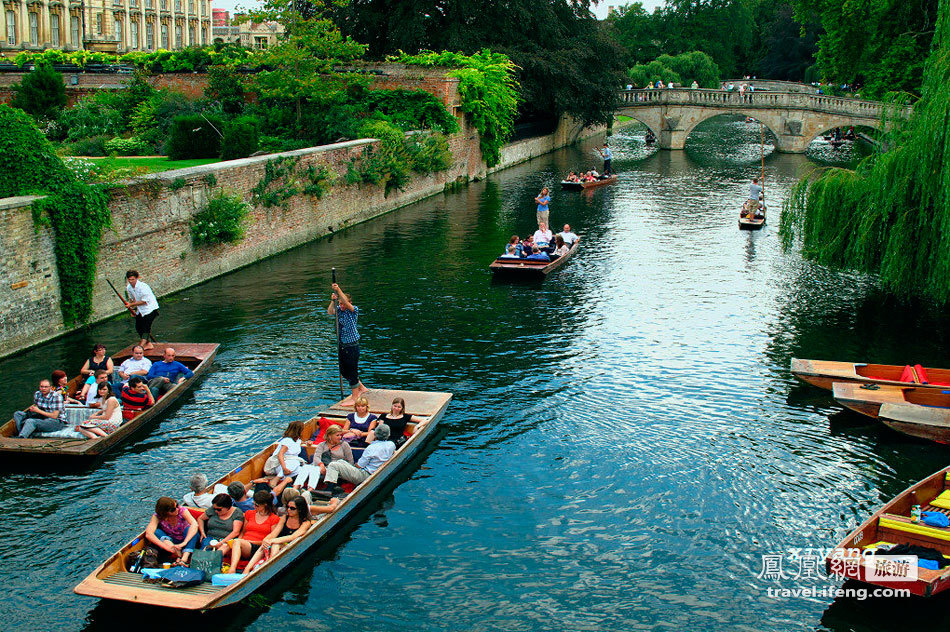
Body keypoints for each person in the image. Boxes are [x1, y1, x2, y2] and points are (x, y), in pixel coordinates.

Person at [241, 496, 315, 574]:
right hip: (278, 544)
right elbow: (274, 533)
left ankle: (270, 566)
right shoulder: (284, 518)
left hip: (291, 546)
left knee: (275, 544)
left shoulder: (305, 523)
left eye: (292, 508)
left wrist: (273, 540)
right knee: (266, 544)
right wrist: (266, 539)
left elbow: (293, 537)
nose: (288, 510)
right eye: (288, 507)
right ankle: (247, 569)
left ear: (299, 509)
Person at [323, 423, 396, 492]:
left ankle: (329, 489)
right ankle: (337, 483)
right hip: (376, 472)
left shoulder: (371, 448)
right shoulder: (391, 445)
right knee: (340, 462)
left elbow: (359, 466)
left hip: (366, 476)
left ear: (375, 434)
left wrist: (353, 466)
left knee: (333, 465)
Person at [328, 282, 368, 406]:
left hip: (352, 345)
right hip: (342, 345)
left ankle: (355, 397)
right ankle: (360, 387)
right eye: (340, 304)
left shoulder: (353, 310)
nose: (342, 306)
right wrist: (332, 301)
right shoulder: (339, 310)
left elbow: (347, 303)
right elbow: (330, 312)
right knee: (343, 370)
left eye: (343, 303)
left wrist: (338, 289)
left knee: (352, 370)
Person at [230, 490, 281, 572]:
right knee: (230, 543)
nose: (254, 506)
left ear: (265, 505)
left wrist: (246, 541)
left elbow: (270, 539)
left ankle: (232, 569)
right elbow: (243, 532)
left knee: (237, 542)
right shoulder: (249, 513)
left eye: (257, 505)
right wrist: (240, 540)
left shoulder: (274, 518)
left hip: (258, 547)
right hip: (244, 544)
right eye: (253, 504)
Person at [296, 425, 355, 491]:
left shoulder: (344, 445)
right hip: (323, 466)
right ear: (330, 436)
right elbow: (316, 457)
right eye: (337, 435)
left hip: (336, 469)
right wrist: (321, 465)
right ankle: (296, 488)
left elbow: (350, 461)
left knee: (315, 470)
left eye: (340, 435)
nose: (340, 437)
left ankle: (310, 490)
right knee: (307, 467)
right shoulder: (322, 445)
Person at [145, 497, 200, 566]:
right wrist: (167, 547)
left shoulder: (182, 510)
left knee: (190, 529)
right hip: (171, 541)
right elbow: (149, 534)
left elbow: (194, 524)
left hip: (187, 538)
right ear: (165, 512)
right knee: (157, 532)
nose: (177, 509)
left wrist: (184, 543)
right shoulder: (157, 516)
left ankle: (184, 558)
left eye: (177, 506)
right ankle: (176, 552)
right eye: (173, 509)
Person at [196, 493, 244, 558]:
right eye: (214, 509)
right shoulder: (213, 510)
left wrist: (222, 542)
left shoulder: (237, 513)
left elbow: (236, 532)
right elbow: (200, 518)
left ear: (227, 507)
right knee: (204, 549)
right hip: (211, 537)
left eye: (219, 509)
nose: (216, 511)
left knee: (219, 552)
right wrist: (202, 532)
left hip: (226, 540)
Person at [124, 270, 159, 351]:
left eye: (132, 279)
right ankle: (149, 344)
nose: (131, 281)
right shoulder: (129, 288)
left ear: (137, 278)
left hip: (150, 309)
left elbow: (144, 301)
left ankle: (140, 347)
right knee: (138, 326)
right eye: (129, 279)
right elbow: (133, 299)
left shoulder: (143, 287)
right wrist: (132, 309)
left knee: (146, 327)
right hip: (141, 310)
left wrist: (131, 305)